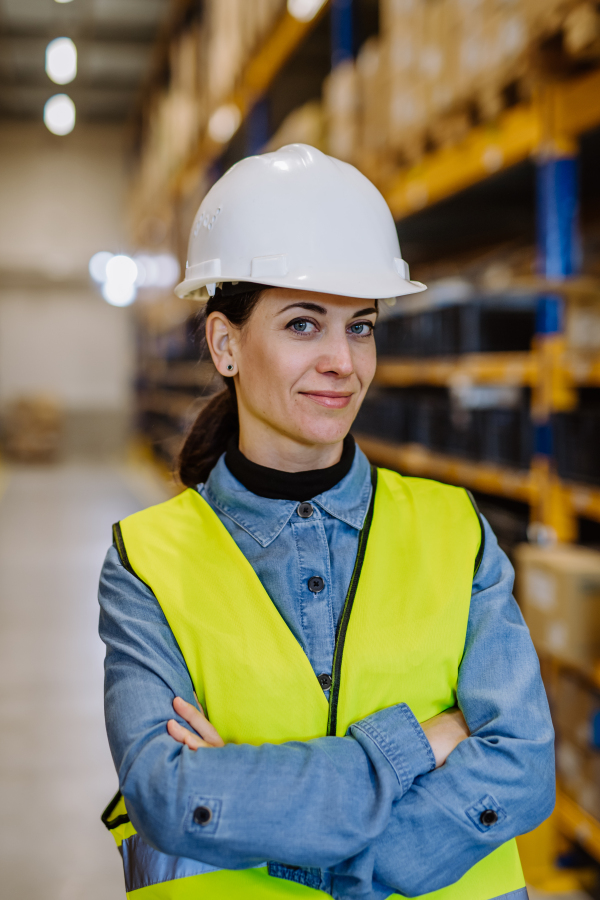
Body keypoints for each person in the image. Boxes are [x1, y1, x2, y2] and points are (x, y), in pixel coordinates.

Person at [99, 144, 554, 900]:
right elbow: (171, 796)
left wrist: (290, 834)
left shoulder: (453, 529)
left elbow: (523, 765)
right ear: (225, 343)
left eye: (362, 326)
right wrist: (423, 741)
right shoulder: (147, 562)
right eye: (305, 325)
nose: (344, 361)